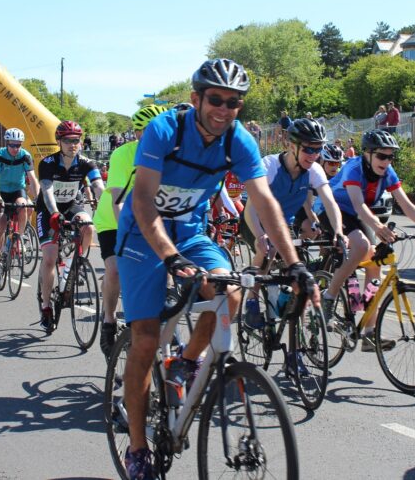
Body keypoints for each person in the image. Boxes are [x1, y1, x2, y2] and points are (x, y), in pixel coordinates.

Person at [116, 58, 318, 478]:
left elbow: (265, 201)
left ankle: (186, 363)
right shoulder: (165, 131)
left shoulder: (238, 141)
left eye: (234, 102)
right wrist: (169, 259)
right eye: (215, 99)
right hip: (142, 235)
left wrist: (296, 264)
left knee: (232, 290)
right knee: (146, 338)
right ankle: (137, 447)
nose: (224, 109)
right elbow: (143, 200)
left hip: (190, 232)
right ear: (196, 99)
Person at [318, 130, 415, 351]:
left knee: (375, 264)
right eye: (381, 156)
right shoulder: (353, 167)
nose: (386, 161)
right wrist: (378, 227)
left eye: (390, 157)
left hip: (358, 216)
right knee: (361, 246)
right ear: (367, 154)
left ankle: (369, 334)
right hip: (332, 210)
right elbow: (358, 205)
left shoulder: (387, 172)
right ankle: (329, 296)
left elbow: (406, 205)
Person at [240, 119, 346, 376]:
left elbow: (330, 203)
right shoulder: (270, 166)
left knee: (298, 284)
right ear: (290, 145)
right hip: (253, 220)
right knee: (268, 250)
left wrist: (340, 232)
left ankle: (293, 354)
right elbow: (252, 210)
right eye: (308, 149)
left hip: (281, 224)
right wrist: (259, 237)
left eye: (317, 149)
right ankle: (252, 300)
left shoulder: (314, 171)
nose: (314, 155)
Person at [94, 104, 167, 357]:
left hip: (148, 221)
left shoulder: (169, 155)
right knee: (115, 269)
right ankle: (109, 320)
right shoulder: (123, 155)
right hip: (114, 221)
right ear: (138, 134)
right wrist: (127, 238)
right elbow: (118, 200)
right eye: (148, 131)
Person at [36, 120, 105, 332]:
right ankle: (46, 306)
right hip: (49, 209)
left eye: (75, 140)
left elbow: (98, 186)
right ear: (59, 141)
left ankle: (77, 265)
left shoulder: (86, 163)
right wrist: (55, 212)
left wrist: (106, 206)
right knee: (49, 258)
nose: (72, 145)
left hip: (72, 204)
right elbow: (47, 190)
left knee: (88, 227)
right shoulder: (48, 162)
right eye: (67, 140)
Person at [0, 128, 39, 287]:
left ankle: (20, 236)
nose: (15, 148)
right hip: (1, 192)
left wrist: (37, 198)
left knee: (23, 205)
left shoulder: (25, 156)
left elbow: (32, 178)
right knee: (1, 226)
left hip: (18, 189)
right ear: (7, 143)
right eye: (12, 145)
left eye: (18, 145)